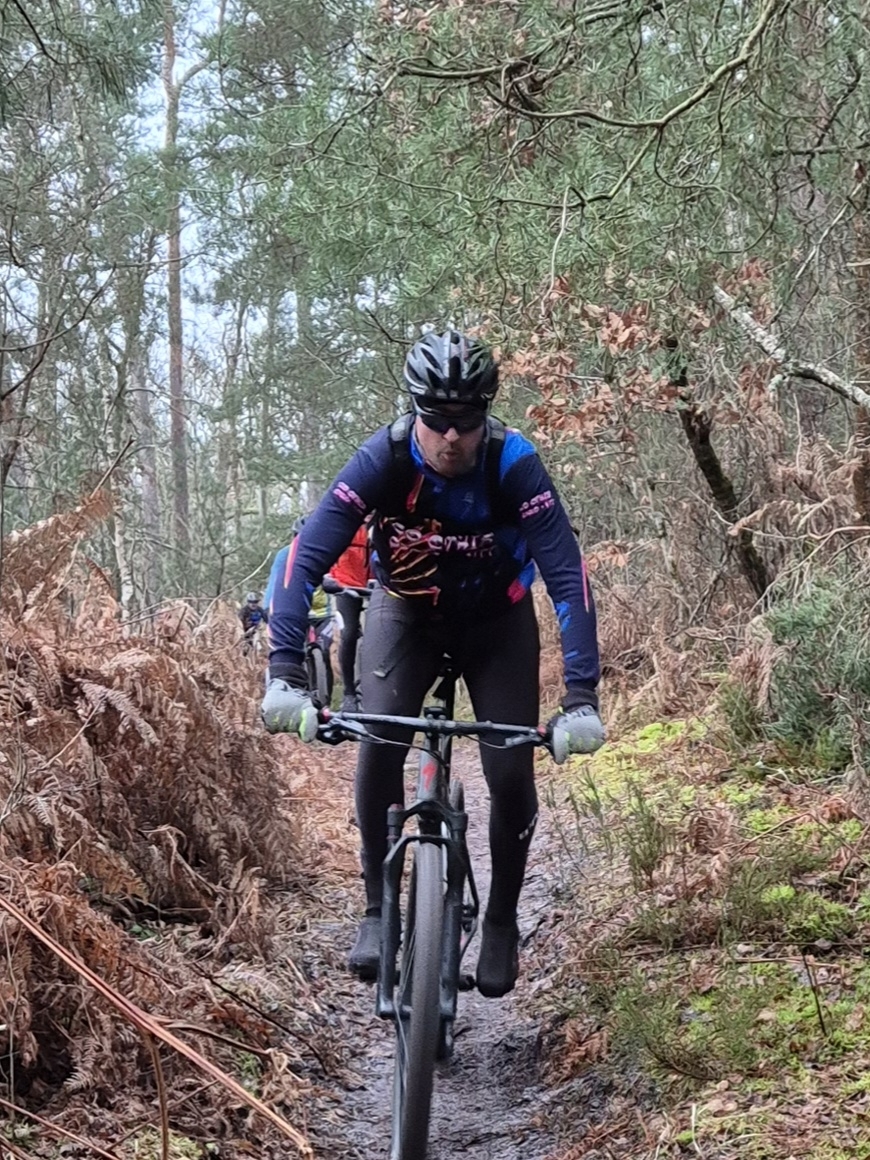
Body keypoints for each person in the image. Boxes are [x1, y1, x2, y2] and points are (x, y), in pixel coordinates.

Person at [262, 329, 605, 997]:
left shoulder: (513, 463)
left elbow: (567, 574)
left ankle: (500, 920)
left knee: (510, 770)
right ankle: (376, 909)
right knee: (379, 742)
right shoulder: (384, 458)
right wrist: (285, 673)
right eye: (437, 419)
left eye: (467, 420)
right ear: (414, 409)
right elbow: (304, 557)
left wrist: (581, 695)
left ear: (486, 415)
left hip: (497, 625)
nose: (451, 436)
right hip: (406, 616)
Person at [264, 519, 336, 704]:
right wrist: (268, 608)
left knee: (325, 653)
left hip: (322, 614)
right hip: (297, 615)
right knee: (297, 650)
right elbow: (275, 584)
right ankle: (298, 690)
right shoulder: (284, 555)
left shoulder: (327, 552)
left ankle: (326, 699)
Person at [326, 520, 373, 713]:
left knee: (379, 634)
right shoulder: (344, 520)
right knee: (349, 634)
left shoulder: (382, 522)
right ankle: (349, 693)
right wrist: (328, 577)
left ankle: (372, 689)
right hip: (345, 583)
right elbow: (326, 550)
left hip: (375, 583)